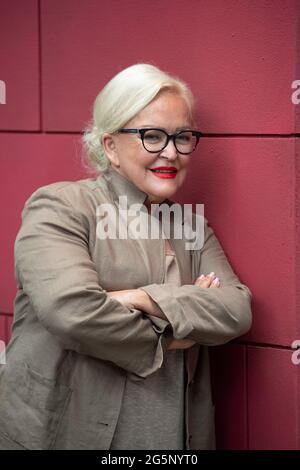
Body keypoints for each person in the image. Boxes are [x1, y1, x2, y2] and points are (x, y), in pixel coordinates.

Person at [0, 63, 252, 450]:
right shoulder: (61, 207)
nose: (170, 152)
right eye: (151, 136)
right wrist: (178, 329)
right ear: (110, 146)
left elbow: (236, 310)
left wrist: (140, 298)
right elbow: (72, 312)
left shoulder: (191, 227)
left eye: (182, 137)